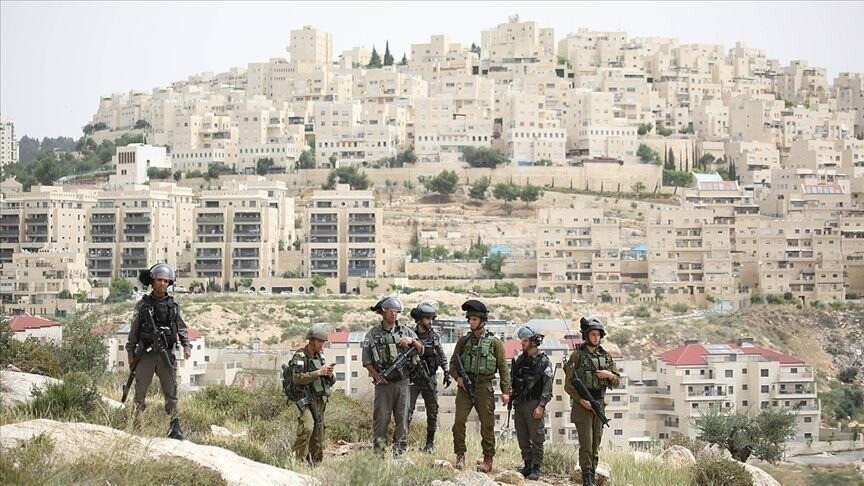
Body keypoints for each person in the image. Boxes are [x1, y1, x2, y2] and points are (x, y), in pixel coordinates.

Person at [125, 263, 191, 440]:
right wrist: (130, 353)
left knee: (171, 393)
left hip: (166, 355)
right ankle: (136, 427)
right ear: (152, 281)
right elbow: (134, 330)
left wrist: (186, 346)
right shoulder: (142, 305)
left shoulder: (173, 305)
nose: (162, 283)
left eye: (165, 281)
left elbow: (182, 328)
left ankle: (174, 427)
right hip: (145, 355)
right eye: (159, 280)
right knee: (140, 393)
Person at [449, 299, 511, 473]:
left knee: (487, 425)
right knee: (459, 421)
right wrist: (458, 378)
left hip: (484, 387)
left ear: (482, 320)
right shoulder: (464, 341)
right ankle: (460, 455)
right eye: (469, 319)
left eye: (474, 319)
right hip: (465, 387)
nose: (471, 322)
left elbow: (503, 369)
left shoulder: (494, 343)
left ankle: (488, 459)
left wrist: (506, 391)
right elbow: (453, 363)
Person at [361, 296, 424, 457]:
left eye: (396, 311)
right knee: (381, 419)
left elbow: (421, 349)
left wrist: (412, 341)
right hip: (383, 384)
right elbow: (366, 360)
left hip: (403, 382)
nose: (393, 314)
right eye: (390, 311)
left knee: (402, 418)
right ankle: (379, 454)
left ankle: (400, 453)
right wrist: (377, 376)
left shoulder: (406, 331)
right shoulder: (373, 334)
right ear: (383, 312)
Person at [563, 316, 620, 486]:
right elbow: (568, 385)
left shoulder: (606, 356)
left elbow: (617, 381)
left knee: (596, 443)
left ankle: (592, 474)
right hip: (583, 405)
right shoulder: (577, 356)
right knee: (586, 444)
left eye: (598, 334)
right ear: (586, 336)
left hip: (599, 403)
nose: (596, 337)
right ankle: (587, 478)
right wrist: (581, 400)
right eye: (593, 334)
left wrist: (609, 375)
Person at [406, 300, 451, 453]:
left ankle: (430, 444)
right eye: (427, 318)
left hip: (429, 378)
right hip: (412, 378)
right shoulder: (409, 334)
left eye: (432, 318)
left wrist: (446, 371)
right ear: (420, 319)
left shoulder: (434, 335)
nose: (430, 322)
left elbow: (441, 354)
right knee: (407, 411)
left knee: (432, 412)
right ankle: (402, 443)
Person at [510, 326, 553, 480]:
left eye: (525, 340)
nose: (522, 343)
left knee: (536, 437)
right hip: (520, 403)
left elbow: (548, 386)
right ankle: (527, 465)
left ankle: (536, 467)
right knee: (522, 435)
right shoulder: (520, 360)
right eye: (522, 340)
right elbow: (514, 380)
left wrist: (541, 405)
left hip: (534, 403)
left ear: (534, 342)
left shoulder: (543, 362)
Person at [290, 323, 336, 466]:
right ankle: (296, 462)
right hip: (305, 399)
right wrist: (318, 373)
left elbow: (330, 382)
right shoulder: (300, 356)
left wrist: (329, 375)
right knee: (307, 427)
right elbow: (297, 378)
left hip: (319, 400)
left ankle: (314, 464)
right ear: (311, 340)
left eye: (323, 342)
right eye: (320, 341)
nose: (322, 344)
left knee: (318, 434)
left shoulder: (320, 357)